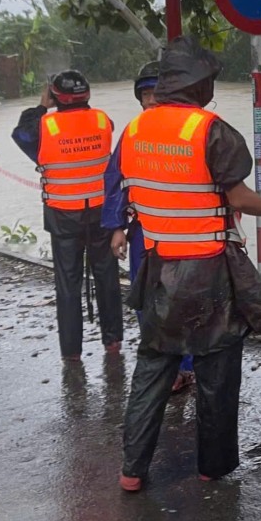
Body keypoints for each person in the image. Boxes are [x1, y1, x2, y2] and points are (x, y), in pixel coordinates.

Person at [106, 36, 261, 492]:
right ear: (197, 84)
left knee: (152, 369)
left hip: (160, 267)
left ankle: (132, 470)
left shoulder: (134, 131)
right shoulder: (211, 130)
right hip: (208, 274)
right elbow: (237, 195)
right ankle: (213, 466)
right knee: (218, 373)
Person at [11, 70, 123, 362]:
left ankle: (71, 351)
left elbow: (21, 133)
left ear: (54, 97)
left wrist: (40, 105)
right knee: (106, 277)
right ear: (88, 94)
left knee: (68, 283)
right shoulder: (103, 121)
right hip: (100, 212)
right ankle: (113, 342)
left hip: (63, 216)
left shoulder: (44, 126)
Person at [103, 61, 196, 394]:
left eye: (157, 91)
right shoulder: (133, 132)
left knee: (184, 301)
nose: (152, 99)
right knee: (147, 302)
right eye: (145, 93)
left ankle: (186, 367)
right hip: (145, 233)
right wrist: (116, 228)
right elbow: (116, 181)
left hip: (188, 232)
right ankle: (165, 364)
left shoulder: (193, 128)